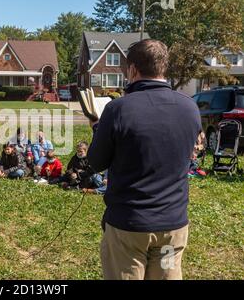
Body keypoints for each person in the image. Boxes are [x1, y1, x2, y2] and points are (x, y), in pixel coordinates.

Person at [87, 39, 202, 280]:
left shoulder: (118, 109)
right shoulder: (190, 107)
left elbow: (96, 162)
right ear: (163, 68)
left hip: (129, 227)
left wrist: (98, 129)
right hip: (172, 225)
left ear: (133, 69)